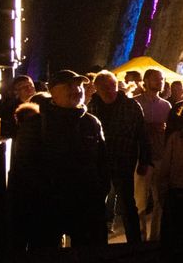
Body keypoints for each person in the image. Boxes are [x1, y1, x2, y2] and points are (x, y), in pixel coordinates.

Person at [10, 70, 109, 250]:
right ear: (53, 91)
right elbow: (24, 167)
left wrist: (98, 194)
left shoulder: (91, 123)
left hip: (85, 208)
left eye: (78, 85)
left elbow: (102, 163)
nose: (76, 89)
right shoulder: (35, 124)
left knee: (90, 262)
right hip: (47, 210)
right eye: (69, 85)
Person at [88, 70, 150, 245]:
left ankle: (134, 244)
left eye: (112, 86)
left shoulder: (131, 106)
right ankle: (99, 243)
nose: (109, 90)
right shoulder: (91, 106)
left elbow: (142, 134)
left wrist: (144, 160)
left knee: (128, 204)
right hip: (99, 162)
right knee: (98, 203)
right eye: (104, 87)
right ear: (96, 88)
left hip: (124, 159)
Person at [134, 68, 172, 241]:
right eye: (156, 78)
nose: (160, 81)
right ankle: (140, 238)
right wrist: (149, 127)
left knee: (160, 201)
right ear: (146, 81)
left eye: (162, 79)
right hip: (141, 158)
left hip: (160, 156)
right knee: (140, 202)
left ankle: (155, 238)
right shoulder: (134, 103)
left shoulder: (166, 105)